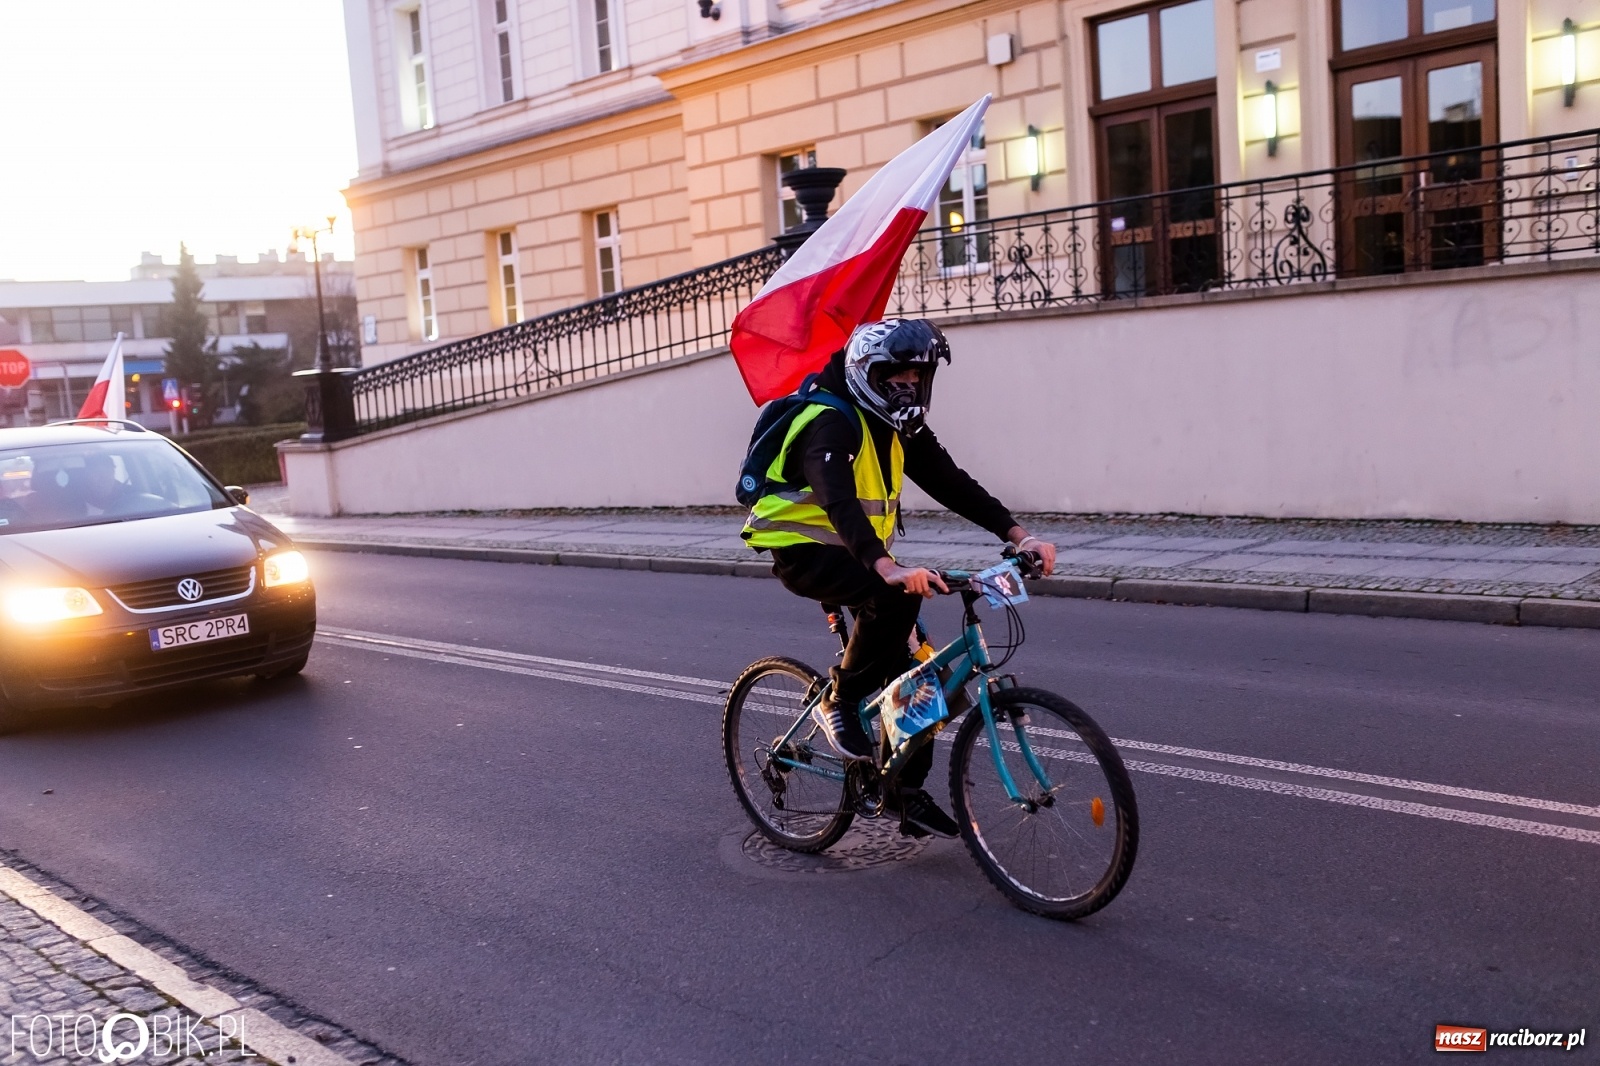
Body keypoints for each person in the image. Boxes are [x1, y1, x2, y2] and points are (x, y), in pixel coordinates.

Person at [741, 319, 1057, 837]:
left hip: (861, 555)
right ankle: (840, 701)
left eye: (917, 376)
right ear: (870, 375)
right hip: (802, 550)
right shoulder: (831, 421)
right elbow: (836, 498)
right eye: (897, 376)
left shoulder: (897, 425)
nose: (908, 386)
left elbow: (950, 482)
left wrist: (1018, 535)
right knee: (889, 599)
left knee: (921, 672)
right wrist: (888, 566)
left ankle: (901, 792)